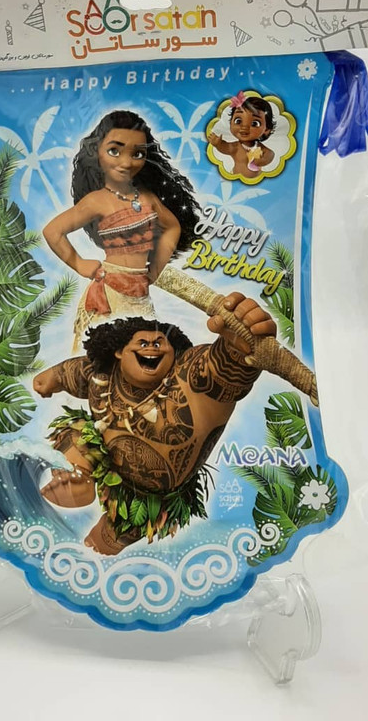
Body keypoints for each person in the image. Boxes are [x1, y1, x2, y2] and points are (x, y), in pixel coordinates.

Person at [32, 292, 277, 555]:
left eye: (160, 343)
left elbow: (221, 370)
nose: (152, 347)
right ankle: (78, 477)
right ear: (119, 352)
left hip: (147, 501)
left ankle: (110, 536)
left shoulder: (188, 378)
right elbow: (70, 373)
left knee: (101, 547)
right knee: (74, 431)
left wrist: (240, 346)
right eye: (143, 342)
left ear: (175, 355)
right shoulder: (102, 373)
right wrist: (49, 380)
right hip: (103, 461)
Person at [42, 110, 200, 349]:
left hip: (140, 293)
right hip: (110, 293)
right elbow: (53, 231)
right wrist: (79, 263)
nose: (126, 163)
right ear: (97, 151)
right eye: (114, 151)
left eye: (137, 154)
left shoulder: (147, 197)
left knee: (144, 347)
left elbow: (172, 227)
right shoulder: (96, 201)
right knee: (110, 353)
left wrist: (156, 268)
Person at [208, 92, 276, 178]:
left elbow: (270, 154)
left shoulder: (261, 148)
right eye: (238, 121)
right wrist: (219, 144)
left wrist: (263, 160)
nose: (244, 127)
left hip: (257, 182)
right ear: (231, 122)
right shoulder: (236, 147)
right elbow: (226, 148)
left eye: (255, 123)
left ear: (266, 130)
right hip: (236, 180)